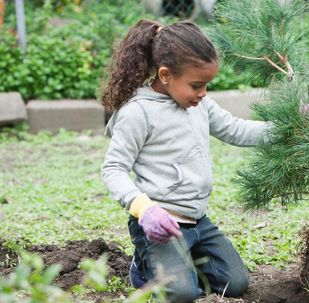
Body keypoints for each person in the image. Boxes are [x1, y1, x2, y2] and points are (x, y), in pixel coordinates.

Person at [100, 19, 274, 302]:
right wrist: (144, 208)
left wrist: (287, 126)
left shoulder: (199, 104)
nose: (203, 93)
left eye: (206, 85)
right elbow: (113, 169)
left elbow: (236, 129)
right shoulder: (138, 113)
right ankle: (144, 269)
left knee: (236, 282)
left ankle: (181, 261)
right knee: (181, 294)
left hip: (197, 222)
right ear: (166, 74)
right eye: (196, 85)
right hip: (160, 225)